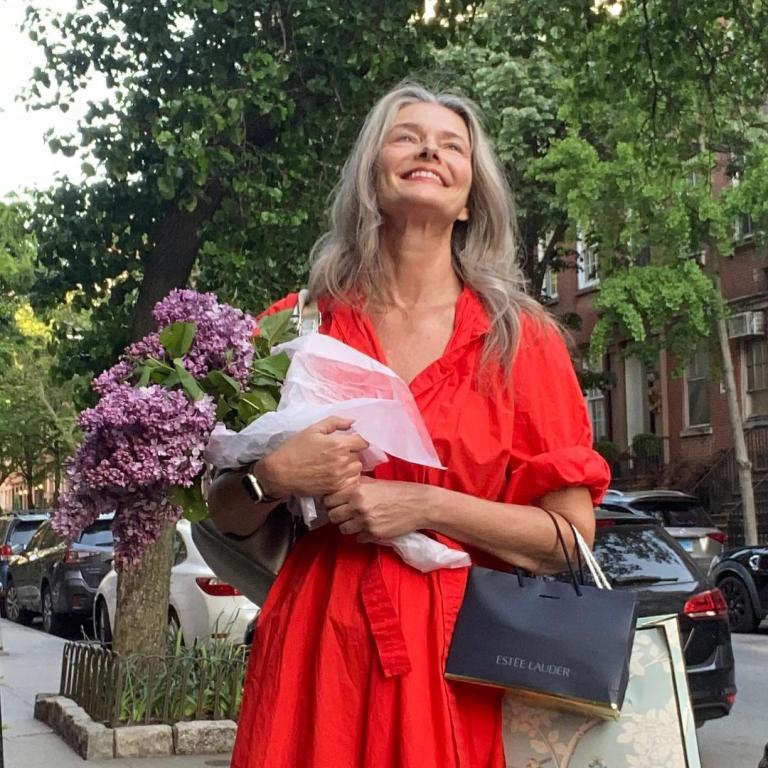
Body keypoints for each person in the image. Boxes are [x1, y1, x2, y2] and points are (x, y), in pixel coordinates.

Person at [208, 82, 611, 768]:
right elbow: (225, 514)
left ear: (470, 196)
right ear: (371, 173)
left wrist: (421, 504)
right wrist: (273, 476)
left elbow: (569, 542)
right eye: (407, 136)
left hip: (463, 658)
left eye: (452, 145)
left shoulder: (522, 340)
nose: (429, 148)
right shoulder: (297, 326)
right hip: (320, 647)